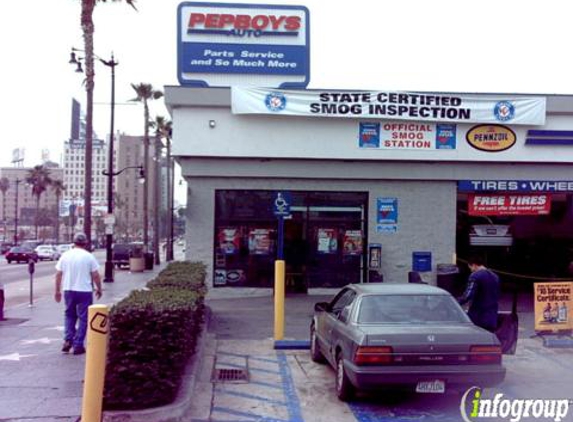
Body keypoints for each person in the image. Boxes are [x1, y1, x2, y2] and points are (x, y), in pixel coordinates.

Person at [54, 232, 102, 355]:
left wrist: (57, 291)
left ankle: (68, 340)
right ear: (85, 243)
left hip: (68, 289)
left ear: (74, 242)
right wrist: (99, 288)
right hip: (84, 290)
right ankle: (78, 344)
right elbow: (95, 275)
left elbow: (58, 274)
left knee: (69, 315)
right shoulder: (88, 256)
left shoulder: (65, 255)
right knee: (84, 318)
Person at [458, 255, 500, 332]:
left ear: (473, 265)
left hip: (478, 316)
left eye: (470, 268)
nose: (471, 270)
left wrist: (456, 303)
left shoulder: (475, 276)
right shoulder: (495, 276)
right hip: (492, 316)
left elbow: (467, 295)